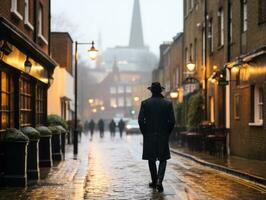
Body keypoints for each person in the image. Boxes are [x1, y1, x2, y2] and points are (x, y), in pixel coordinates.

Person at [138, 82, 175, 192]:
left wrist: (145, 132)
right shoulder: (168, 104)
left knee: (151, 159)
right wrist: (167, 132)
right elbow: (172, 121)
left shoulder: (145, 103)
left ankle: (154, 181)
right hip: (163, 135)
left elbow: (140, 120)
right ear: (160, 91)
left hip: (149, 135)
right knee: (163, 159)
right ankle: (159, 180)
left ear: (151, 91)